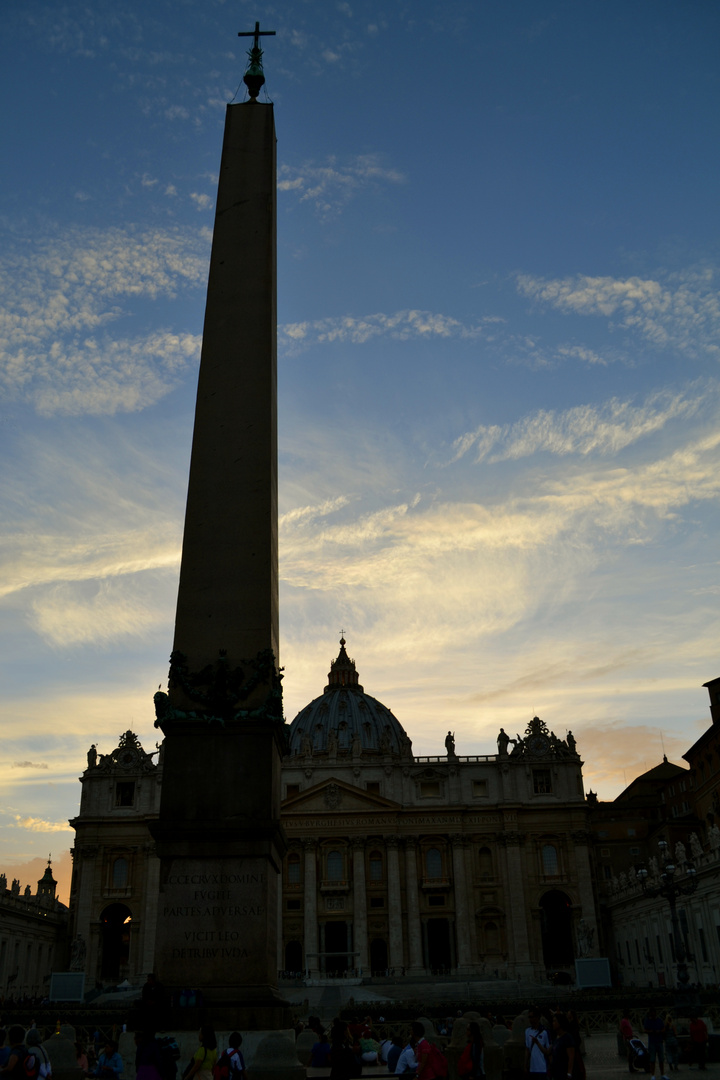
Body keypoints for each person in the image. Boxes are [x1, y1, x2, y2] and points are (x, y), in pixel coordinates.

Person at [642, 1008, 669, 1080]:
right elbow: (645, 1030)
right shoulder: (650, 1021)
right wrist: (652, 1031)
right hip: (653, 1042)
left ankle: (661, 1074)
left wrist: (659, 1031)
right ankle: (653, 1075)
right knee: (652, 1059)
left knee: (660, 1059)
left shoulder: (658, 1020)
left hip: (657, 1041)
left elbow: (663, 1029)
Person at [525, 1008, 550, 1078]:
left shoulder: (545, 1032)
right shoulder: (527, 1031)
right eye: (529, 1017)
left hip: (543, 1068)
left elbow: (548, 1051)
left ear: (537, 1018)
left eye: (532, 1017)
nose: (530, 1020)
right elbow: (527, 1049)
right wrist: (525, 1065)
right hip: (532, 1068)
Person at [549, 1013, 575, 1080]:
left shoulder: (567, 1038)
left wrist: (569, 1073)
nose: (553, 1023)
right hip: (556, 1073)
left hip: (563, 1072)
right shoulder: (557, 1038)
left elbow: (571, 1057)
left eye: (555, 1021)